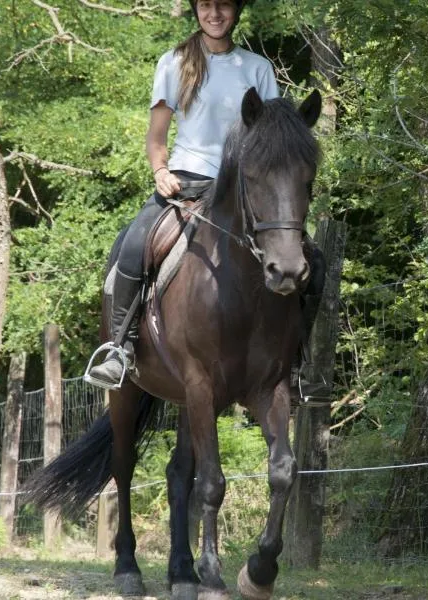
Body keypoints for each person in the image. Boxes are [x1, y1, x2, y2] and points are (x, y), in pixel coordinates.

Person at [86, 0, 280, 388]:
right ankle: (120, 348)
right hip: (186, 182)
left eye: (223, 5)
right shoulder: (174, 62)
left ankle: (300, 362)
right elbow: (156, 137)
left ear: (236, 10)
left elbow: (273, 137)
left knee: (308, 256)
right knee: (133, 243)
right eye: (206, 5)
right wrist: (160, 171)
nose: (214, 14)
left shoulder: (258, 68)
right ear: (195, 10)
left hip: (243, 190)